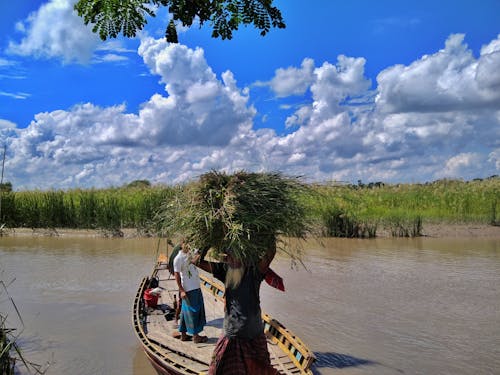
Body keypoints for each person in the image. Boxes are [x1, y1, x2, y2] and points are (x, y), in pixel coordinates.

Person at [195, 235, 281, 375]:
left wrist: (267, 233)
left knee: (260, 370)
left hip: (254, 334)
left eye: (234, 256)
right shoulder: (224, 270)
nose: (231, 260)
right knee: (219, 370)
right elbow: (196, 260)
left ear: (244, 256)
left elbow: (270, 252)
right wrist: (208, 240)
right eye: (228, 256)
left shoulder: (254, 271)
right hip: (232, 334)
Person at [173, 240, 208, 343]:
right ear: (181, 244)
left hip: (195, 286)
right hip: (189, 289)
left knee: (185, 312)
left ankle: (183, 335)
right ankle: (196, 336)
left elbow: (199, 255)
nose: (189, 246)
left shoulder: (190, 254)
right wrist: (182, 290)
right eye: (187, 244)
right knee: (194, 311)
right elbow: (177, 275)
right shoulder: (178, 258)